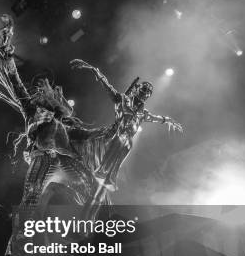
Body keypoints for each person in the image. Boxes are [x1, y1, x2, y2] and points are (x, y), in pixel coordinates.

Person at [70, 59, 183, 219]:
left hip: (124, 147)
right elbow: (106, 85)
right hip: (111, 139)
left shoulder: (142, 114)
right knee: (104, 157)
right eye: (143, 90)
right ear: (137, 90)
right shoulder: (122, 101)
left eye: (147, 94)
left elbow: (155, 118)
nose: (144, 94)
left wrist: (168, 120)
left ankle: (93, 213)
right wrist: (92, 69)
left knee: (103, 186)